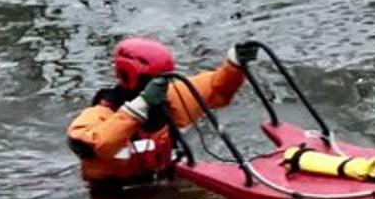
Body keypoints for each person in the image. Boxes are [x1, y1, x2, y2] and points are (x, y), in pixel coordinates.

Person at [67, 39, 259, 189]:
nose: (163, 84)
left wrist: (234, 65)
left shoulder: (171, 99)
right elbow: (97, 145)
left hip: (165, 187)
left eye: (165, 77)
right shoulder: (99, 116)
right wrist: (140, 106)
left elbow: (217, 89)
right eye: (154, 79)